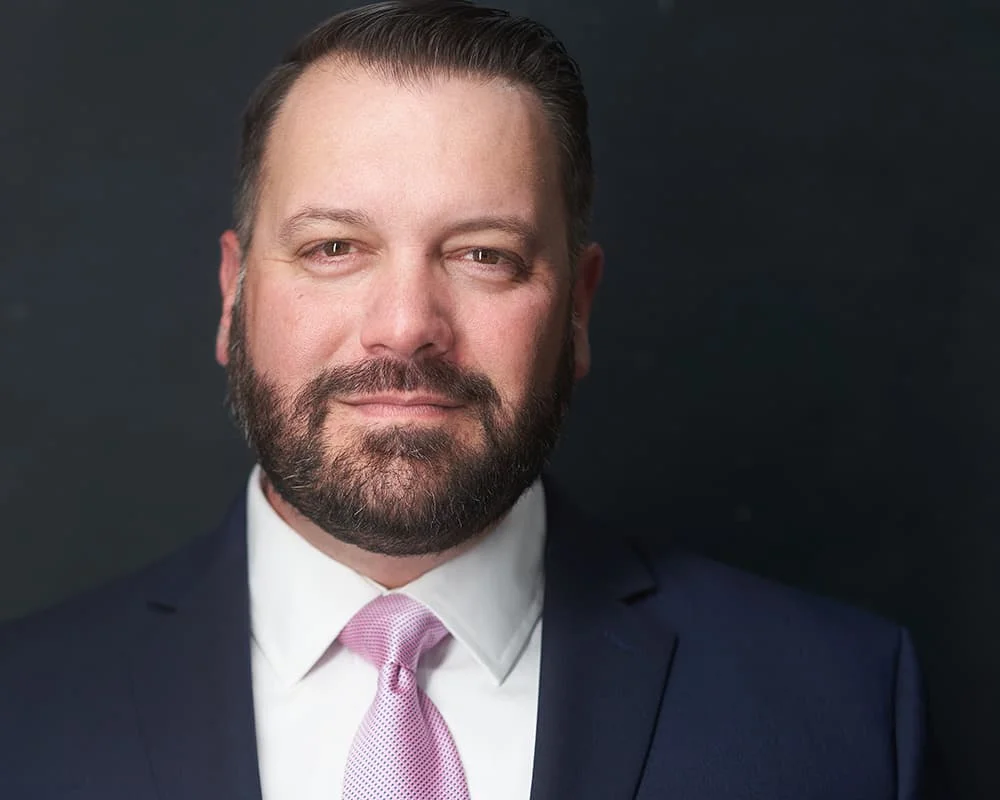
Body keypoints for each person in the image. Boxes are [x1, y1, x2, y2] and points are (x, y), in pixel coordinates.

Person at [0, 1, 929, 798]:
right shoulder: (23, 715)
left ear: (577, 308)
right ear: (233, 294)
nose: (405, 327)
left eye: (484, 254)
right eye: (333, 248)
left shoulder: (838, 707)